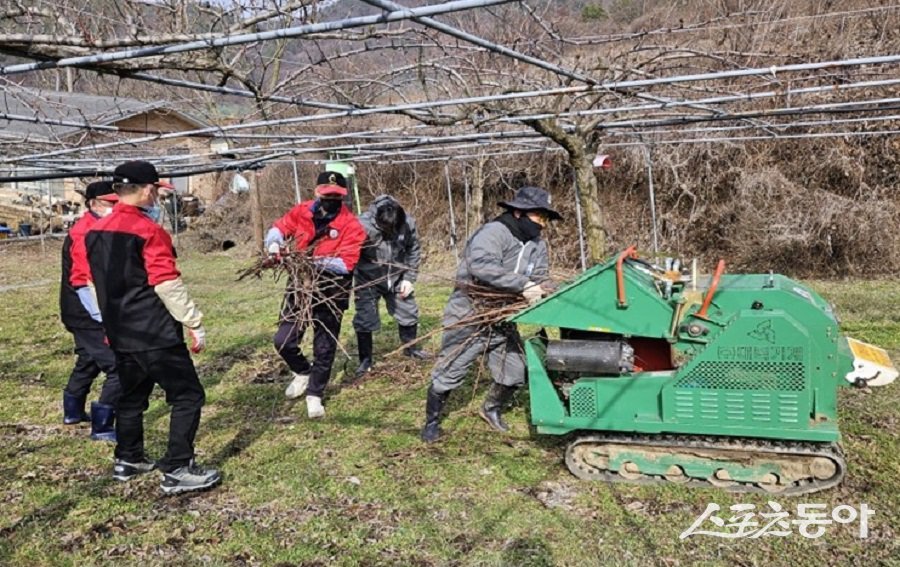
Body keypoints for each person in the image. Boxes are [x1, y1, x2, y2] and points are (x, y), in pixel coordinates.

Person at [86, 160, 220, 495]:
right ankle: (177, 467)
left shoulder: (95, 230)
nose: (158, 195)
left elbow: (91, 282)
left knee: (132, 396)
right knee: (188, 395)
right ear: (148, 189)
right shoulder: (149, 231)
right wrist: (194, 321)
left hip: (120, 331)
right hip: (154, 331)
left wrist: (108, 319)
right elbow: (166, 284)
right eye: (157, 190)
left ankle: (128, 458)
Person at [420, 186, 560, 443]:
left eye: (546, 219)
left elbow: (541, 276)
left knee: (516, 371)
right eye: (540, 217)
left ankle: (491, 409)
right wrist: (522, 285)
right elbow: (482, 266)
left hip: (502, 317)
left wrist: (548, 289)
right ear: (519, 212)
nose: (544, 225)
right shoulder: (494, 233)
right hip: (471, 311)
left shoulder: (537, 244)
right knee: (451, 368)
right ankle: (432, 421)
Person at [266, 171, 365, 418]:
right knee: (283, 340)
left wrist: (312, 260)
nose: (331, 199)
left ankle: (315, 394)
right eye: (327, 194)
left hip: (332, 289)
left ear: (344, 197)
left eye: (336, 196)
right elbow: (279, 227)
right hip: (301, 286)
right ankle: (302, 371)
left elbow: (346, 264)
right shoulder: (302, 211)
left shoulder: (352, 225)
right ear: (317, 192)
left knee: (324, 345)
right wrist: (274, 243)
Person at [59, 180, 121, 441]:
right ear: (93, 203)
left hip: (81, 310)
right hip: (87, 312)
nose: (116, 207)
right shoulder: (86, 233)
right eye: (110, 203)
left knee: (88, 358)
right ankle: (103, 426)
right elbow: (84, 281)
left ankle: (72, 412)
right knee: (118, 366)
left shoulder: (101, 226)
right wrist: (103, 317)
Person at [352, 194, 429, 378]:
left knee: (408, 311)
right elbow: (350, 253)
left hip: (397, 276)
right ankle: (365, 361)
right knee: (365, 317)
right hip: (368, 278)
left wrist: (409, 278)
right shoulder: (361, 225)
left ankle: (410, 348)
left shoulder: (407, 223)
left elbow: (413, 250)